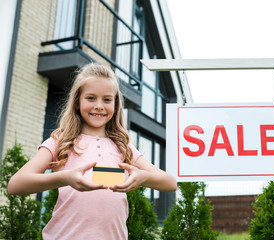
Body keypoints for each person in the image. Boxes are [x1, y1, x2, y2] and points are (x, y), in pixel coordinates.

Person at [7, 63, 177, 240]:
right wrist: (65, 178)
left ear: (115, 104)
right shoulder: (60, 141)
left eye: (106, 99)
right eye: (90, 98)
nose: (99, 106)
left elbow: (170, 183)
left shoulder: (123, 146)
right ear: (77, 102)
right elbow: (15, 184)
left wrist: (144, 177)